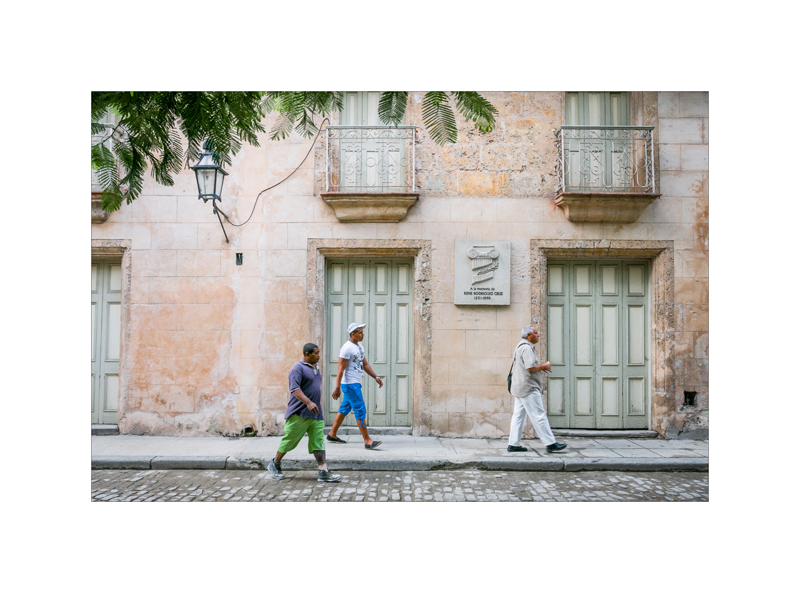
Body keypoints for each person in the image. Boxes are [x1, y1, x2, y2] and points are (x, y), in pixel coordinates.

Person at [268, 343, 341, 482]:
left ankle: (323, 471)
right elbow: (295, 389)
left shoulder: (316, 367)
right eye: (316, 353)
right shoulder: (297, 368)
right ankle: (275, 463)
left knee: (318, 441)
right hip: (299, 413)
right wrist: (308, 402)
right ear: (307, 354)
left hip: (316, 413)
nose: (319, 355)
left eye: (319, 353)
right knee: (290, 440)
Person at [507, 325, 567, 453]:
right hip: (528, 387)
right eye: (535, 333)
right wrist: (544, 366)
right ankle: (550, 443)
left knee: (518, 416)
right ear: (528, 335)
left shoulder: (520, 346)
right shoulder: (526, 348)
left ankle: (513, 444)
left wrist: (540, 367)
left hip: (519, 387)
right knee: (539, 415)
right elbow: (530, 368)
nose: (538, 335)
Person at [326, 322, 383, 449]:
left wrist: (376, 377)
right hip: (350, 384)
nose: (363, 334)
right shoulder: (346, 348)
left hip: (355, 383)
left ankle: (332, 434)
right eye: (360, 332)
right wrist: (337, 387)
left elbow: (365, 364)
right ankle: (367, 441)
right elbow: (340, 369)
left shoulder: (359, 347)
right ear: (353, 334)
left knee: (345, 408)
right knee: (360, 410)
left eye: (363, 332)